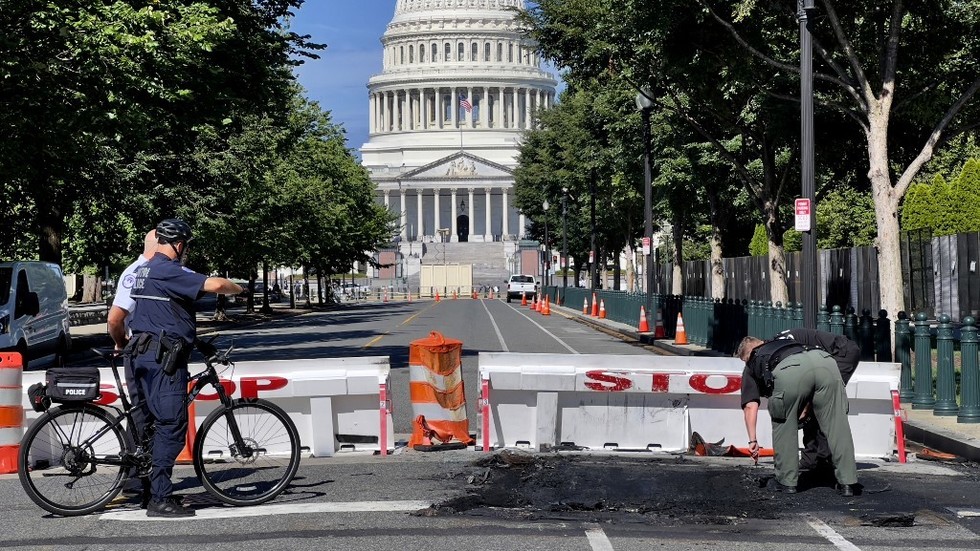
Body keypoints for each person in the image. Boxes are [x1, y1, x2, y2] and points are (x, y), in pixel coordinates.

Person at [125, 218, 246, 518]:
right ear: (179, 245)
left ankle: (143, 487)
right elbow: (217, 285)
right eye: (186, 246)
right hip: (161, 360)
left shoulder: (143, 271)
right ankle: (160, 499)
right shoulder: (169, 271)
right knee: (172, 425)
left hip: (140, 352)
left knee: (150, 425)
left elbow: (165, 311)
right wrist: (239, 289)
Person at [735, 335, 858, 497]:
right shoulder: (783, 341)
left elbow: (750, 406)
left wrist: (753, 440)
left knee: (784, 424)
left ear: (748, 354)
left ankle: (786, 481)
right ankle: (848, 482)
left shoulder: (753, 360)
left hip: (791, 370)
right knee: (837, 424)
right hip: (825, 361)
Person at [106, 228, 157, 501]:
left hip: (147, 348)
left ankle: (141, 476)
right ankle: (133, 479)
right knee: (140, 413)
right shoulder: (137, 272)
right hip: (138, 349)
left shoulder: (151, 270)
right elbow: (115, 318)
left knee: (145, 413)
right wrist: (122, 342)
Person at [773, 328, 860, 472]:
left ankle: (820, 458)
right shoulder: (781, 343)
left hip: (842, 353)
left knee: (822, 403)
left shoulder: (782, 349)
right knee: (815, 403)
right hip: (835, 353)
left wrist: (804, 408)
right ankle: (814, 457)